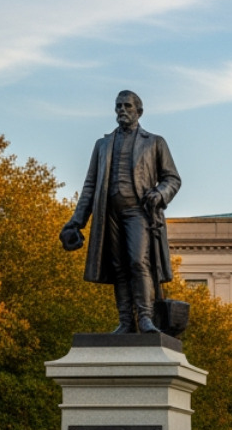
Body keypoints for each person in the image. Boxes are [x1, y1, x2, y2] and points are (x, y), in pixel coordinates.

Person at [60, 90, 182, 334]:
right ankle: (126, 321)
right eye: (118, 106)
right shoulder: (103, 145)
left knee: (138, 261)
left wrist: (159, 193)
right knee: (118, 267)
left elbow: (172, 179)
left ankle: (145, 317)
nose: (122, 110)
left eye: (127, 106)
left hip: (139, 211)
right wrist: (76, 222)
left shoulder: (155, 142)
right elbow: (90, 186)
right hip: (109, 213)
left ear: (139, 111)